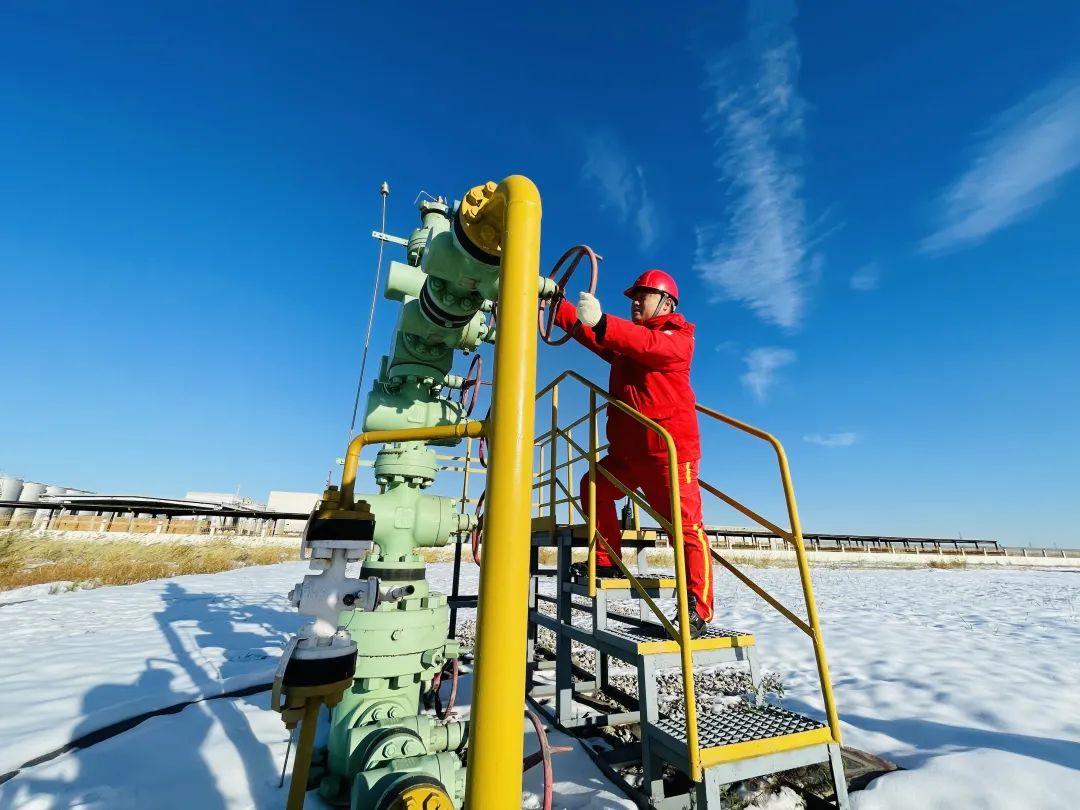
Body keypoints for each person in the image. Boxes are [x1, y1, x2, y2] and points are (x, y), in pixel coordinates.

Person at [553, 269, 713, 637]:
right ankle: (608, 562)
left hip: (667, 454)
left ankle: (697, 609)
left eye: (643, 295)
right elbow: (595, 336)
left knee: (685, 529)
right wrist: (553, 306)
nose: (635, 301)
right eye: (633, 296)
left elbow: (646, 345)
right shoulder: (629, 343)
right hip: (627, 454)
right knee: (593, 484)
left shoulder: (678, 339)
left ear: (667, 302)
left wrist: (605, 321)